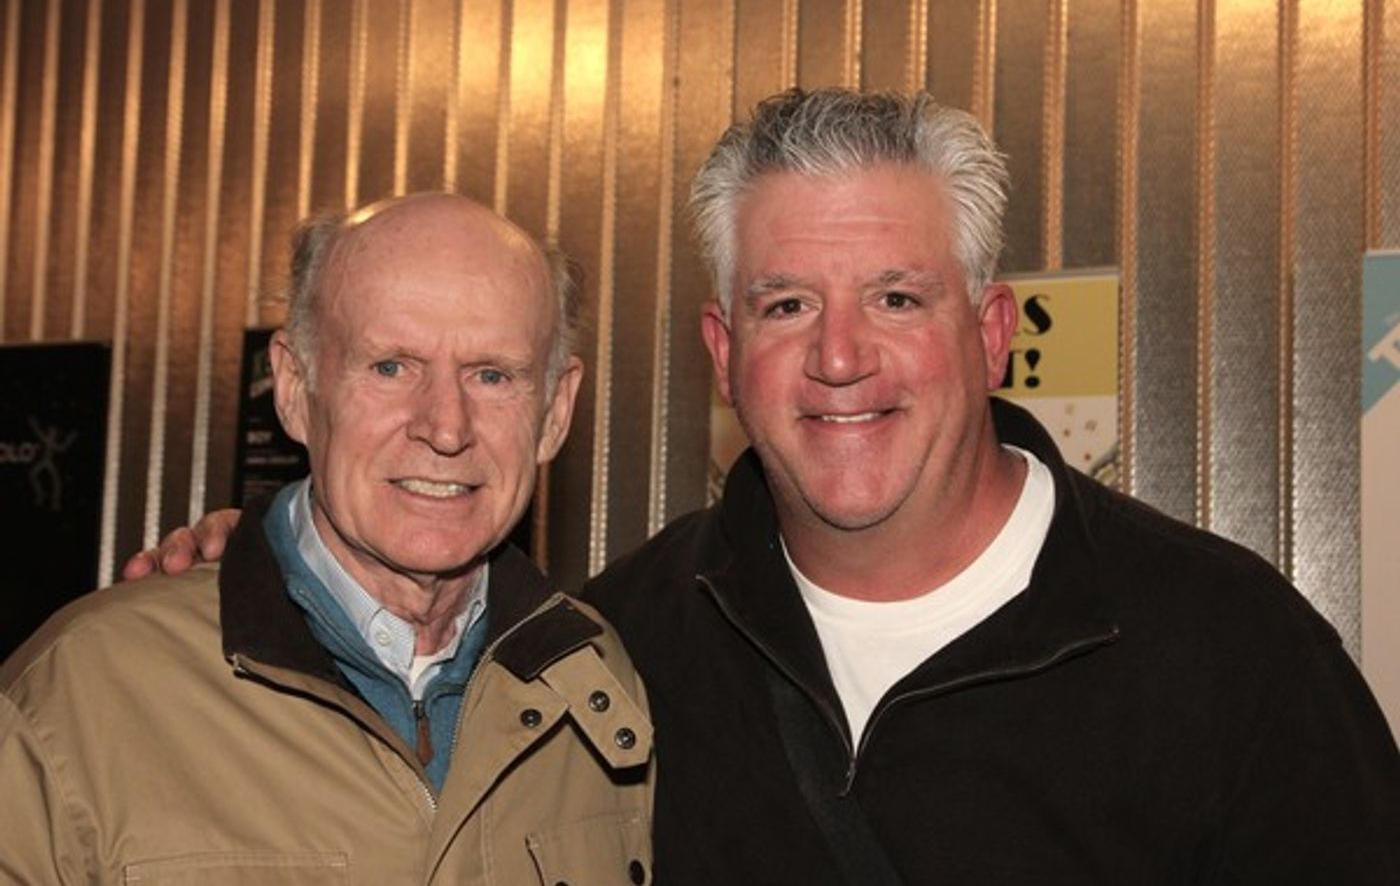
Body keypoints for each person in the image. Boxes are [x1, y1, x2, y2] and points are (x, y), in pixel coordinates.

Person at [125, 89, 1400, 884]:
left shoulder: (1226, 650)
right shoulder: (608, 653)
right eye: (785, 305)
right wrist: (267, 566)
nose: (839, 358)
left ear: (990, 332)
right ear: (724, 353)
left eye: (894, 298)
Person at [1, 193, 654, 885]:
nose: (446, 427)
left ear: (554, 412)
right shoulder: (81, 694)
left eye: (492, 375)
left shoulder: (600, 686)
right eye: (390, 366)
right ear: (293, 386)